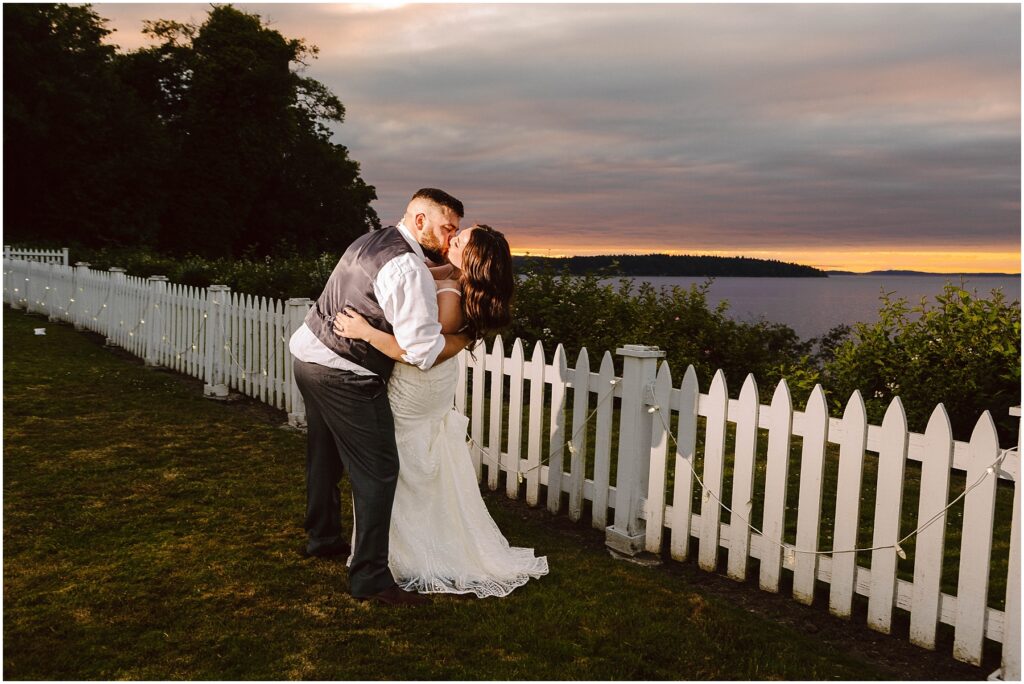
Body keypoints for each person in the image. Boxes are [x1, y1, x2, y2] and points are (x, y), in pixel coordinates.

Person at [333, 224, 549, 598]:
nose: (453, 238)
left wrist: (365, 332)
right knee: (420, 454)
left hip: (419, 384)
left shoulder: (451, 295)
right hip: (434, 387)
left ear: (471, 256)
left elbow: (420, 355)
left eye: (461, 239)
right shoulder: (452, 276)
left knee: (404, 458)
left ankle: (410, 552)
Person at [289, 188, 470, 606]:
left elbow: (426, 274)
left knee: (325, 455)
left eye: (455, 232)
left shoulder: (375, 239)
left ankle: (323, 538)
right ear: (420, 220)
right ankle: (369, 576)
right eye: (447, 228)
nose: (448, 240)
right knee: (379, 472)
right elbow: (422, 353)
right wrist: (463, 336)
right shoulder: (406, 266)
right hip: (344, 372)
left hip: (308, 354)